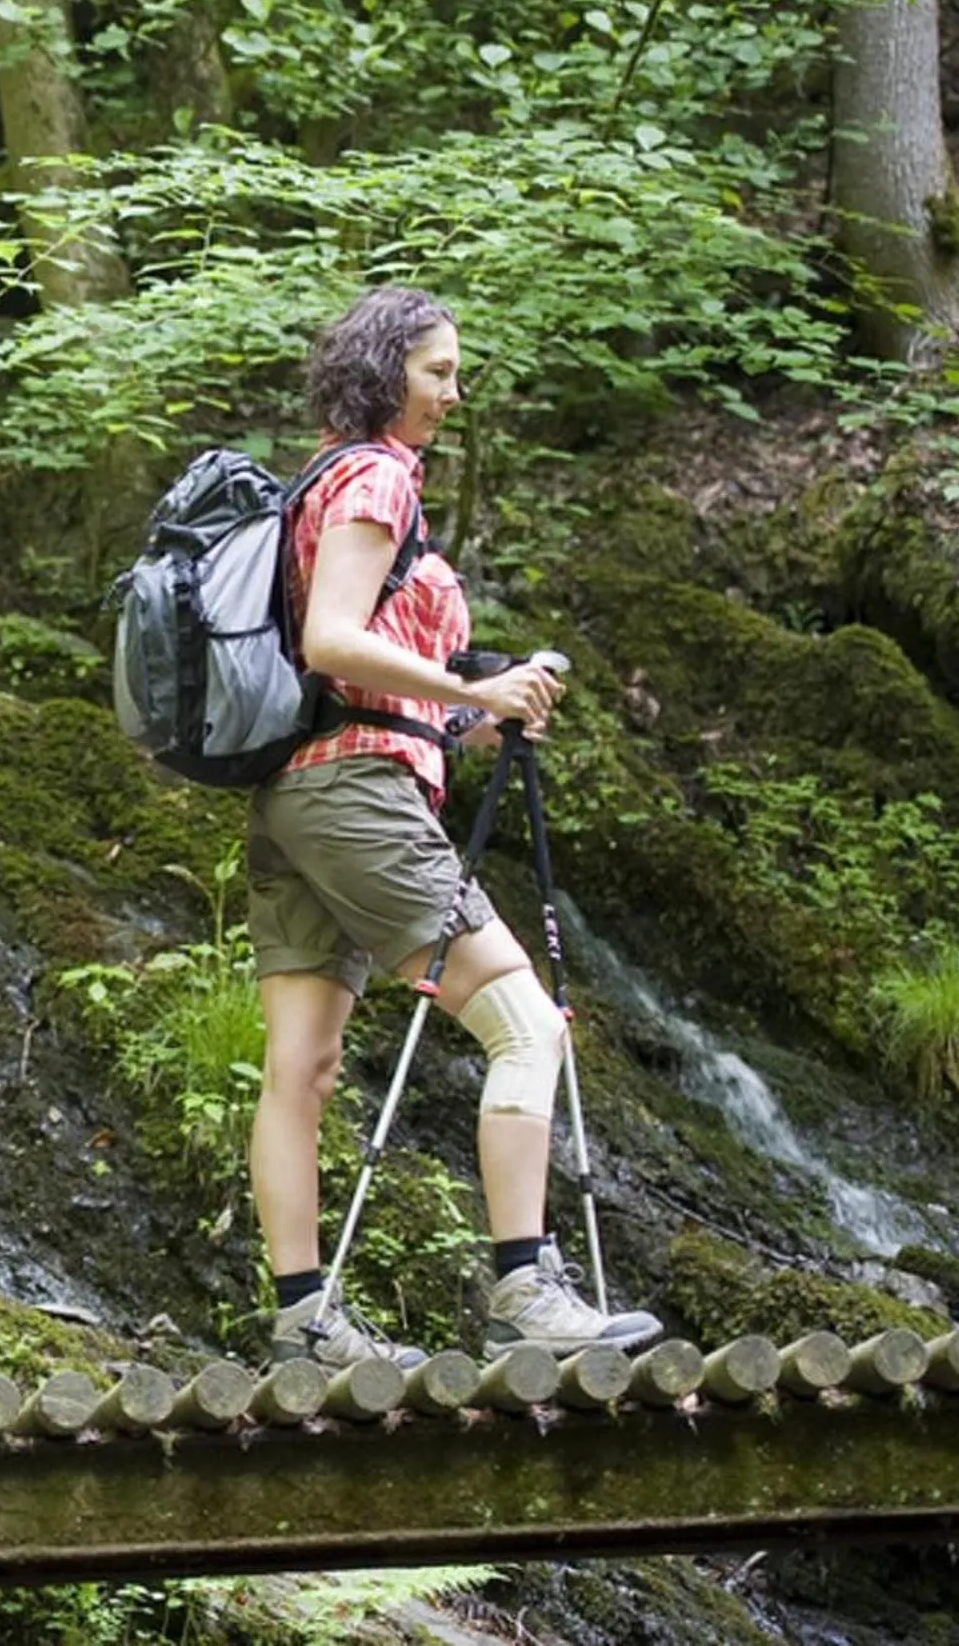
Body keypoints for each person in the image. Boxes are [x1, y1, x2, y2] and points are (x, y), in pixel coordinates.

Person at [246, 286, 663, 1369]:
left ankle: (304, 1317)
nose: (452, 393)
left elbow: (352, 673)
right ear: (387, 370)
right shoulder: (377, 474)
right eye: (438, 371)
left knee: (302, 1063)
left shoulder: (322, 483)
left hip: (299, 791)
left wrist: (474, 714)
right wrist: (475, 692)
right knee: (526, 1026)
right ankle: (524, 1287)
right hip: (356, 795)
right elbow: (336, 641)